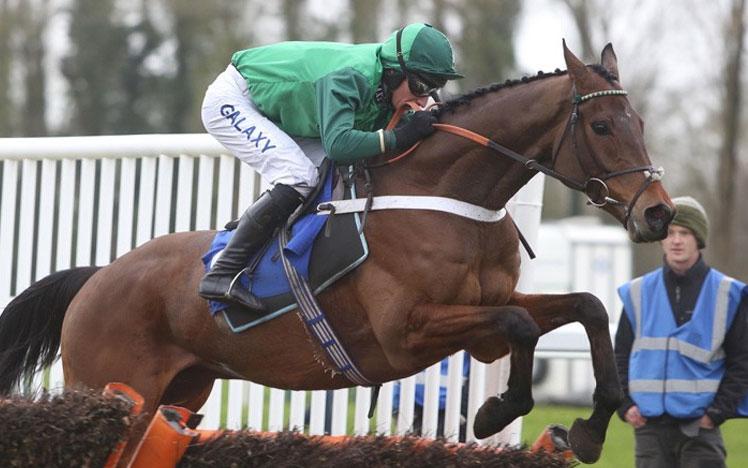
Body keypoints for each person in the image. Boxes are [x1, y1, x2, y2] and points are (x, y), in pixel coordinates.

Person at [198, 23, 463, 310]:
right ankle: (222, 273)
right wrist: (401, 136)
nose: (424, 98)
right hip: (234, 100)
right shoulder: (352, 76)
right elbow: (339, 144)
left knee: (322, 170)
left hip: (285, 110)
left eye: (434, 88)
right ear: (393, 72)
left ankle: (267, 233)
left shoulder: (389, 83)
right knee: (299, 175)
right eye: (420, 87)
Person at [615, 196, 748, 468]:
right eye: (670, 232)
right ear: (661, 239)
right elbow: (619, 356)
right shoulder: (637, 292)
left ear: (698, 239)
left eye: (684, 233)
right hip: (649, 428)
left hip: (701, 428)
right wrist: (624, 405)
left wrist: (716, 413)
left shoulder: (728, 293)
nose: (676, 240)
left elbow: (742, 362)